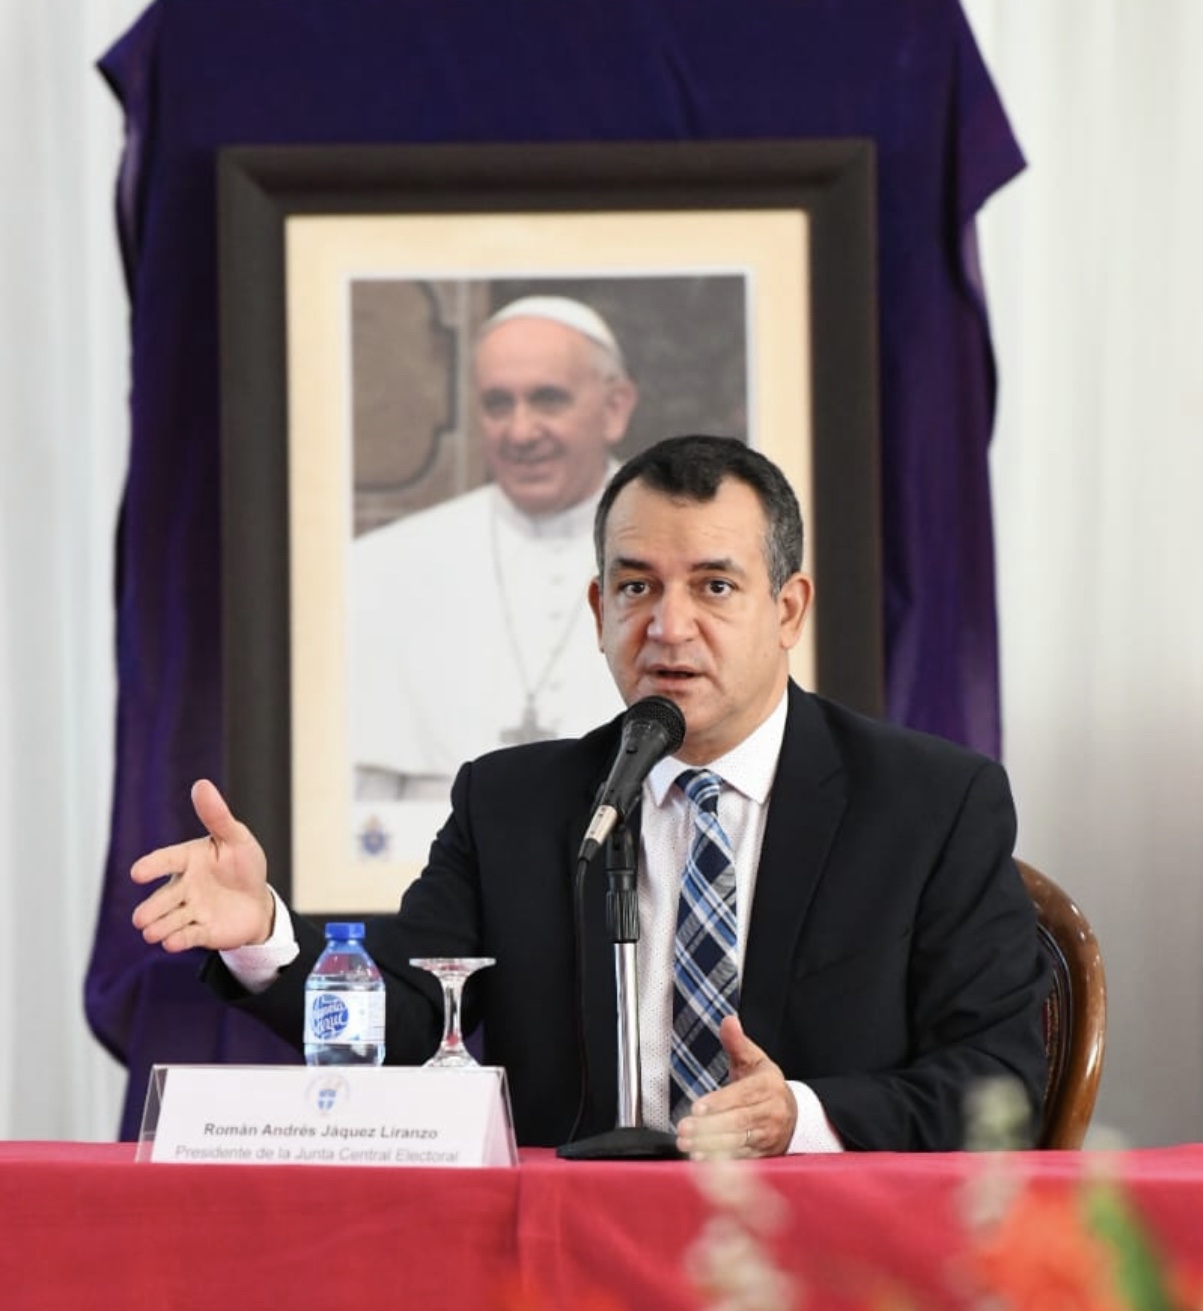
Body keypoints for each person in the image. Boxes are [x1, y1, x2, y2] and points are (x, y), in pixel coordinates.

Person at [131, 434, 1049, 1156]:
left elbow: (1000, 1079)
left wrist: (800, 1117)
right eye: (637, 586)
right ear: (599, 609)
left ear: (787, 609)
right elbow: (411, 1020)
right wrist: (265, 935)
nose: (669, 626)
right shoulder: (512, 803)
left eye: (715, 586)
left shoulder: (930, 802)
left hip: (820, 1258)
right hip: (565, 1259)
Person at [352, 294, 638, 802]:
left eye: (548, 399)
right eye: (498, 404)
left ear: (614, 409)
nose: (520, 432)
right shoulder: (382, 566)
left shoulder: (682, 553)